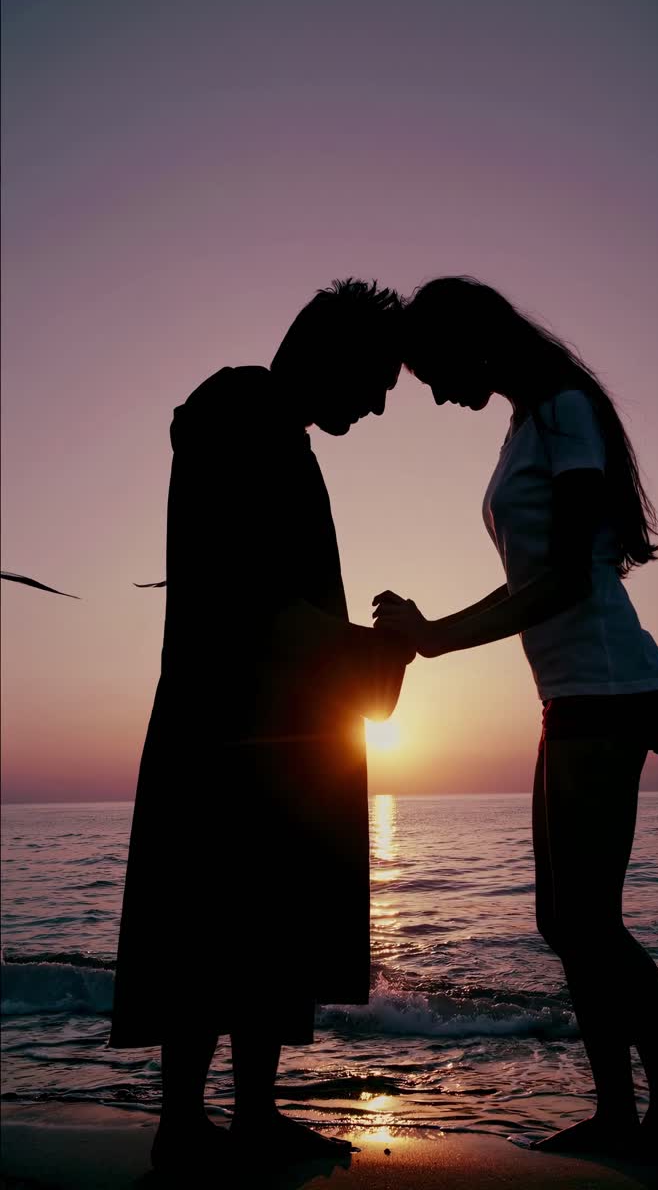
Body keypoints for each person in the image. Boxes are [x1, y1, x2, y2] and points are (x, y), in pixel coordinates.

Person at [373, 275, 658, 1160]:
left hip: (609, 682)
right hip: (570, 691)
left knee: (590, 920)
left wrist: (437, 636)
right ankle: (617, 1111)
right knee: (565, 922)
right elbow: (539, 580)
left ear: (471, 342)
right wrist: (434, 632)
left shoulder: (563, 412)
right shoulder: (528, 421)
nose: (437, 395)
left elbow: (561, 580)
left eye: (434, 373)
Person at [110, 279, 415, 1174]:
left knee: (258, 920)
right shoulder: (242, 415)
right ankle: (186, 1126)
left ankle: (248, 1116)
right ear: (331, 353)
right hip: (231, 726)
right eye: (374, 383)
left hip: (270, 726)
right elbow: (252, 601)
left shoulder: (272, 429)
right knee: (215, 917)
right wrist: (371, 650)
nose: (377, 407)